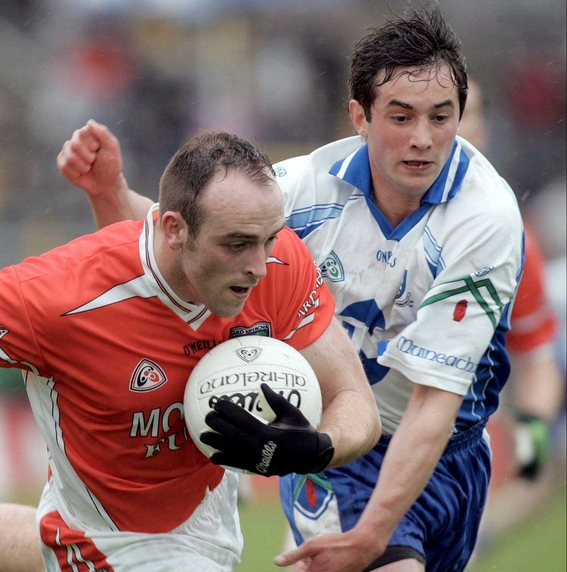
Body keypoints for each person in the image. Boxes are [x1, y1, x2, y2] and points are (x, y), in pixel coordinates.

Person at [0, 132, 380, 572]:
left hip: (203, 504)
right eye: (239, 244)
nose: (260, 263)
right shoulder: (58, 295)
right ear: (174, 230)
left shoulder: (277, 258)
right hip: (102, 533)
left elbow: (357, 405)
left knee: (38, 542)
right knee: (65, 542)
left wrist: (317, 445)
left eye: (269, 239)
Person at [55, 8, 524, 572]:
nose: (422, 139)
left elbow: (435, 402)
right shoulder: (306, 186)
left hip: (452, 453)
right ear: (360, 116)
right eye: (401, 116)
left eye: (440, 116)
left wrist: (372, 535)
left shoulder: (486, 217)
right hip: (340, 445)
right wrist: (110, 191)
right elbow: (185, 241)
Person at [458, 77, 564, 553]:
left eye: (463, 113)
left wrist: (533, 437)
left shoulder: (513, 238)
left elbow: (536, 357)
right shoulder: (337, 214)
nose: (448, 129)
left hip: (446, 455)